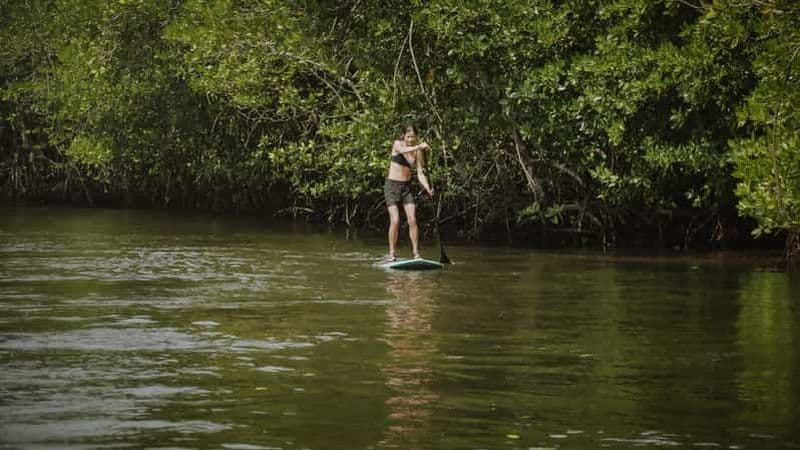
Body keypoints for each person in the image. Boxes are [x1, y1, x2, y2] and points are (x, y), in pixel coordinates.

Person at [383, 125, 434, 262]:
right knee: (395, 220)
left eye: (413, 137)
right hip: (392, 186)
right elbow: (403, 150)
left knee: (412, 220)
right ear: (403, 136)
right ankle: (392, 253)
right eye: (408, 137)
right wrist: (419, 147)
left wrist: (427, 188)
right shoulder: (397, 144)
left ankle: (416, 253)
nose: (411, 139)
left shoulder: (417, 152)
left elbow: (420, 173)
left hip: (406, 188)